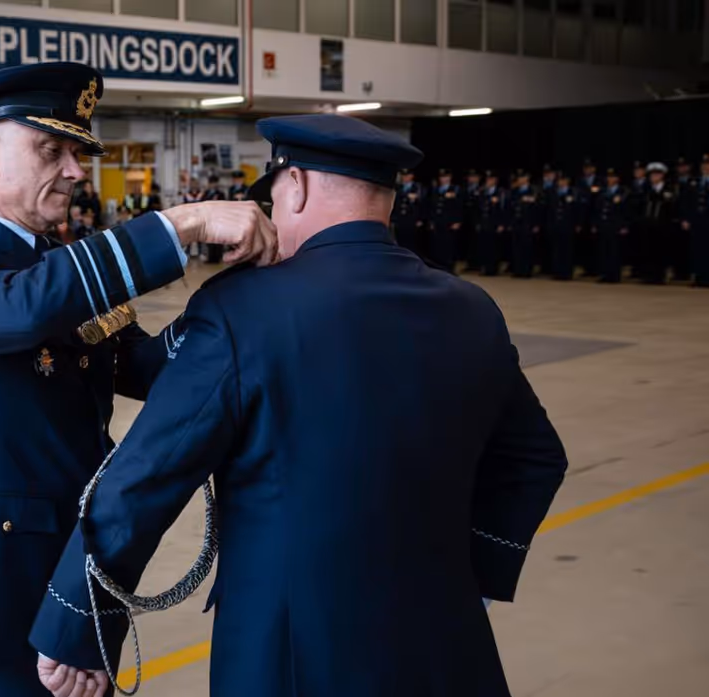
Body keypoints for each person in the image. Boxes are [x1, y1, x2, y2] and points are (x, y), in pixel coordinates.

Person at [31, 113, 569, 697]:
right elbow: (535, 456)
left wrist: (76, 627)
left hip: (291, 647)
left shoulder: (245, 307)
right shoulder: (471, 306)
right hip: (446, 638)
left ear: (298, 185)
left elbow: (147, 475)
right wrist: (474, 575)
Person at [0, 62, 277, 697]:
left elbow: (146, 367)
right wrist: (182, 224)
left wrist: (228, 303)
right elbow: (22, 309)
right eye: (52, 149)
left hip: (86, 563)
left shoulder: (66, 267)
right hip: (5, 581)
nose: (75, 170)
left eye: (78, 151)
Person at [638, 162, 676, 285]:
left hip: (662, 226)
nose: (654, 177)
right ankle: (648, 275)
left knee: (661, 250)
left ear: (662, 176)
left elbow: (671, 207)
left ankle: (659, 276)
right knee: (647, 250)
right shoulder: (646, 189)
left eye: (657, 175)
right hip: (648, 225)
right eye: (652, 175)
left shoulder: (668, 189)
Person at [593, 168, 629, 284]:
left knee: (615, 251)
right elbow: (596, 209)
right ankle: (605, 274)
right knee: (604, 250)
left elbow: (626, 211)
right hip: (603, 224)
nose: (610, 179)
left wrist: (624, 225)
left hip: (616, 225)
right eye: (608, 177)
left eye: (613, 177)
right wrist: (595, 224)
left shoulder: (623, 191)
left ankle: (615, 275)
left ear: (617, 179)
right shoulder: (603, 191)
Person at [547, 172, 585, 281]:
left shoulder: (574, 192)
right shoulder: (553, 192)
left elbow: (579, 210)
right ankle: (557, 272)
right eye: (559, 180)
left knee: (567, 250)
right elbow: (549, 210)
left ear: (567, 181)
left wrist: (578, 224)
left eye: (563, 180)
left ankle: (567, 273)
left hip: (568, 225)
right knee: (556, 250)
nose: (561, 182)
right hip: (556, 224)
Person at [427, 168, 463, 273]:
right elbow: (432, 207)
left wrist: (458, 221)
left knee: (449, 245)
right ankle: (439, 267)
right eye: (442, 177)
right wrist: (431, 221)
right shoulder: (436, 189)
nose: (443, 179)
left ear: (450, 177)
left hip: (450, 222)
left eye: (445, 177)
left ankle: (449, 268)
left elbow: (460, 206)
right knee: (437, 245)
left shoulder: (456, 189)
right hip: (438, 221)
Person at [508, 170, 541, 278]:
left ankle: (527, 271)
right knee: (516, 247)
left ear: (527, 178)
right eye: (519, 178)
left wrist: (536, 224)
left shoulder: (534, 190)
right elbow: (510, 207)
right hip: (516, 223)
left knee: (527, 247)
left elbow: (537, 209)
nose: (520, 180)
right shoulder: (515, 190)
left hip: (528, 223)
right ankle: (517, 270)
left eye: (522, 177)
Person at [476, 170, 508, 277]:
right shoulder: (483, 191)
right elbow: (479, 209)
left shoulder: (500, 192)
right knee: (484, 246)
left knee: (494, 247)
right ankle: (485, 267)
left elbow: (503, 209)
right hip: (484, 223)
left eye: (491, 179)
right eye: (487, 179)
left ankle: (493, 268)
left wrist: (502, 224)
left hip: (494, 224)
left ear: (495, 180)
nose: (489, 181)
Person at [390, 168, 424, 253]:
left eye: (407, 175)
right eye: (404, 175)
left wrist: (420, 218)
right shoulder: (398, 187)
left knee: (411, 242)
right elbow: (395, 204)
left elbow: (423, 204)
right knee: (400, 240)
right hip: (400, 218)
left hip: (412, 218)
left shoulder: (418, 187)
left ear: (412, 176)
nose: (405, 178)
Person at [690, 155, 709, 288]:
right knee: (697, 249)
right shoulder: (694, 181)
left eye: (708, 164)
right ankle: (698, 276)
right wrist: (686, 218)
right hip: (696, 220)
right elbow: (686, 201)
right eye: (704, 164)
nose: (705, 166)